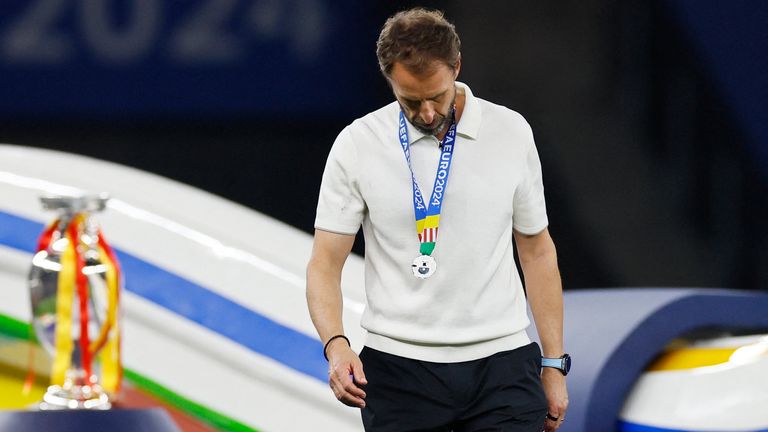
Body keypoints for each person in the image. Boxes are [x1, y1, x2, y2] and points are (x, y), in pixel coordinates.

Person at [306, 8, 569, 432]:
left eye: (437, 97)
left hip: (501, 366)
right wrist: (336, 345)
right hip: (399, 371)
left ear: (457, 68)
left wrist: (554, 364)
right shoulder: (357, 144)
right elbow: (324, 263)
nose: (427, 113)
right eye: (410, 100)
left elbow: (537, 252)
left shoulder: (511, 131)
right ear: (388, 78)